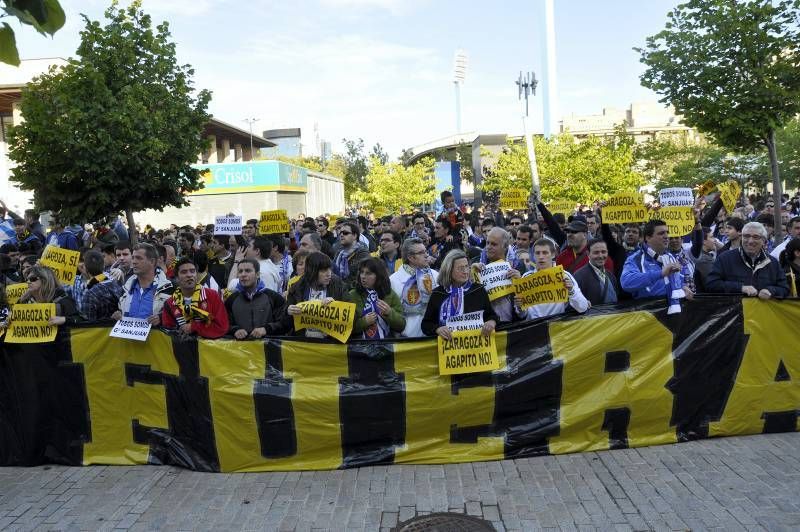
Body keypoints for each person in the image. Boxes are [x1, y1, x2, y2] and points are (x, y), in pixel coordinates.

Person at [421, 250, 497, 339]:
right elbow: (426, 324)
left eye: (467, 267)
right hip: (448, 349)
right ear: (449, 270)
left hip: (477, 349)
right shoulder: (438, 294)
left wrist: (491, 322)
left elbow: (492, 315)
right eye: (460, 268)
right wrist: (437, 329)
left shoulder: (478, 290)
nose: (465, 271)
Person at [706, 222, 789, 299]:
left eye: (756, 237)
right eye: (746, 236)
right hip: (734, 313)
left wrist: (770, 291)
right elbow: (711, 284)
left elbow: (784, 288)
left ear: (764, 241)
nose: (750, 241)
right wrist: (741, 288)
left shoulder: (772, 262)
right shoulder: (725, 258)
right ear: (741, 238)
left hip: (762, 313)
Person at [621, 219, 686, 313]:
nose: (666, 236)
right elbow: (626, 282)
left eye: (667, 232)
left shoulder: (671, 257)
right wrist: (661, 273)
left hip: (674, 317)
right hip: (648, 319)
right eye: (661, 233)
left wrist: (683, 287)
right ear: (647, 237)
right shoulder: (635, 259)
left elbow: (678, 281)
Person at [284, 251, 352, 338]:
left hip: (330, 344)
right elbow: (285, 324)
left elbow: (351, 316)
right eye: (324, 271)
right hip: (303, 343)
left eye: (329, 269)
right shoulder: (297, 288)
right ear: (312, 272)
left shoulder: (338, 284)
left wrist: (336, 306)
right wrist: (288, 311)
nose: (329, 274)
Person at [517, 238, 590, 319]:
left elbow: (582, 308)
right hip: (532, 327)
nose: (541, 257)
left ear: (553, 255)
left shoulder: (564, 275)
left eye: (545, 253)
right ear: (533, 255)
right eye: (537, 253)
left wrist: (571, 291)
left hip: (556, 327)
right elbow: (522, 315)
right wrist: (519, 307)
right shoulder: (526, 277)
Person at [161, 258, 229, 339]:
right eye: (184, 272)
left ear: (196, 275)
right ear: (177, 278)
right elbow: (168, 332)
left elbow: (222, 327)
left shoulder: (212, 296)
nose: (189, 275)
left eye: (192, 271)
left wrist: (194, 327)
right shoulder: (170, 303)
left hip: (208, 350)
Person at [112, 243, 173, 324]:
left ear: (152, 261)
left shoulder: (169, 288)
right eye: (133, 258)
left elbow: (177, 317)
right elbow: (121, 310)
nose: (134, 262)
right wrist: (118, 315)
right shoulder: (126, 287)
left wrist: (161, 318)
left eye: (138, 258)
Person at [225, 258, 286, 339]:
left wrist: (266, 329)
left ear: (257, 274)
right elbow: (224, 323)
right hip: (240, 349)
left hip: (267, 348)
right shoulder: (231, 299)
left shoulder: (273, 297)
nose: (243, 274)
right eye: (240, 271)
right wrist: (235, 330)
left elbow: (285, 323)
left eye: (248, 271)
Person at [390, 237, 438, 338]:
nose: (426, 255)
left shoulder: (435, 275)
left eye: (426, 251)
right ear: (411, 258)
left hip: (432, 336)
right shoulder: (393, 280)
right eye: (421, 253)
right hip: (406, 340)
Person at [349, 258, 406, 339]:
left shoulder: (389, 294)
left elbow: (401, 325)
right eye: (362, 272)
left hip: (386, 345)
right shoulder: (353, 295)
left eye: (368, 273)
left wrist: (389, 313)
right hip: (359, 346)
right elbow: (347, 328)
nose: (363, 277)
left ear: (379, 275)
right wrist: (364, 322)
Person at [573, 239, 620, 305]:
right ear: (588, 254)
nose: (600, 256)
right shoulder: (578, 277)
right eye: (596, 253)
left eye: (603, 252)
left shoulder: (611, 276)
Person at [81, 250, 124, 321]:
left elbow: (88, 325)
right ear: (103, 265)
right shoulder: (116, 281)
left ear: (85, 268)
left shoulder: (90, 294)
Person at [332, 221, 370, 290]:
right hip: (338, 290)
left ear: (355, 236)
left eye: (345, 233)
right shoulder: (339, 252)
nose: (341, 235)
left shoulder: (362, 253)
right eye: (340, 233)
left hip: (354, 293)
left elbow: (359, 278)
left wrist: (341, 288)